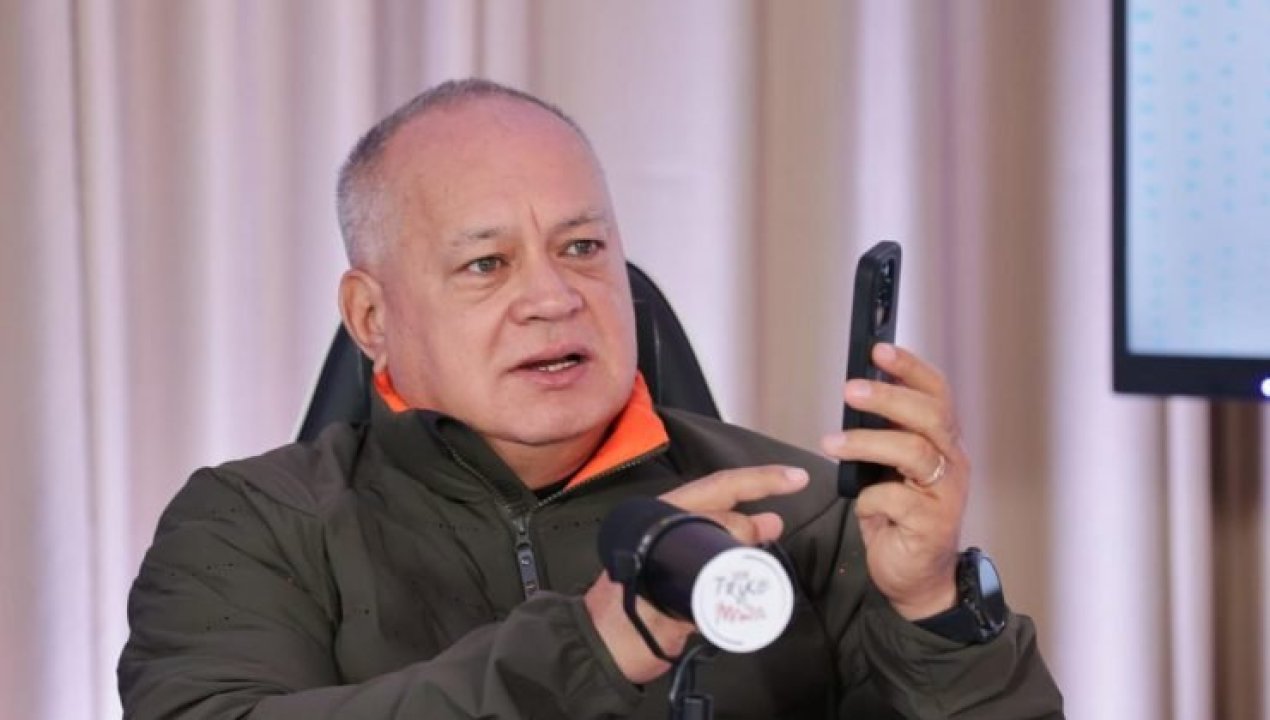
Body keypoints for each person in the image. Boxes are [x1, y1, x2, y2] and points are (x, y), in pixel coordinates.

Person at [119, 78, 1063, 719]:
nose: (553, 297)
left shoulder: (806, 511)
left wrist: (934, 609)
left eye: (582, 249)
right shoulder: (251, 525)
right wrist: (589, 647)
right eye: (487, 264)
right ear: (371, 315)